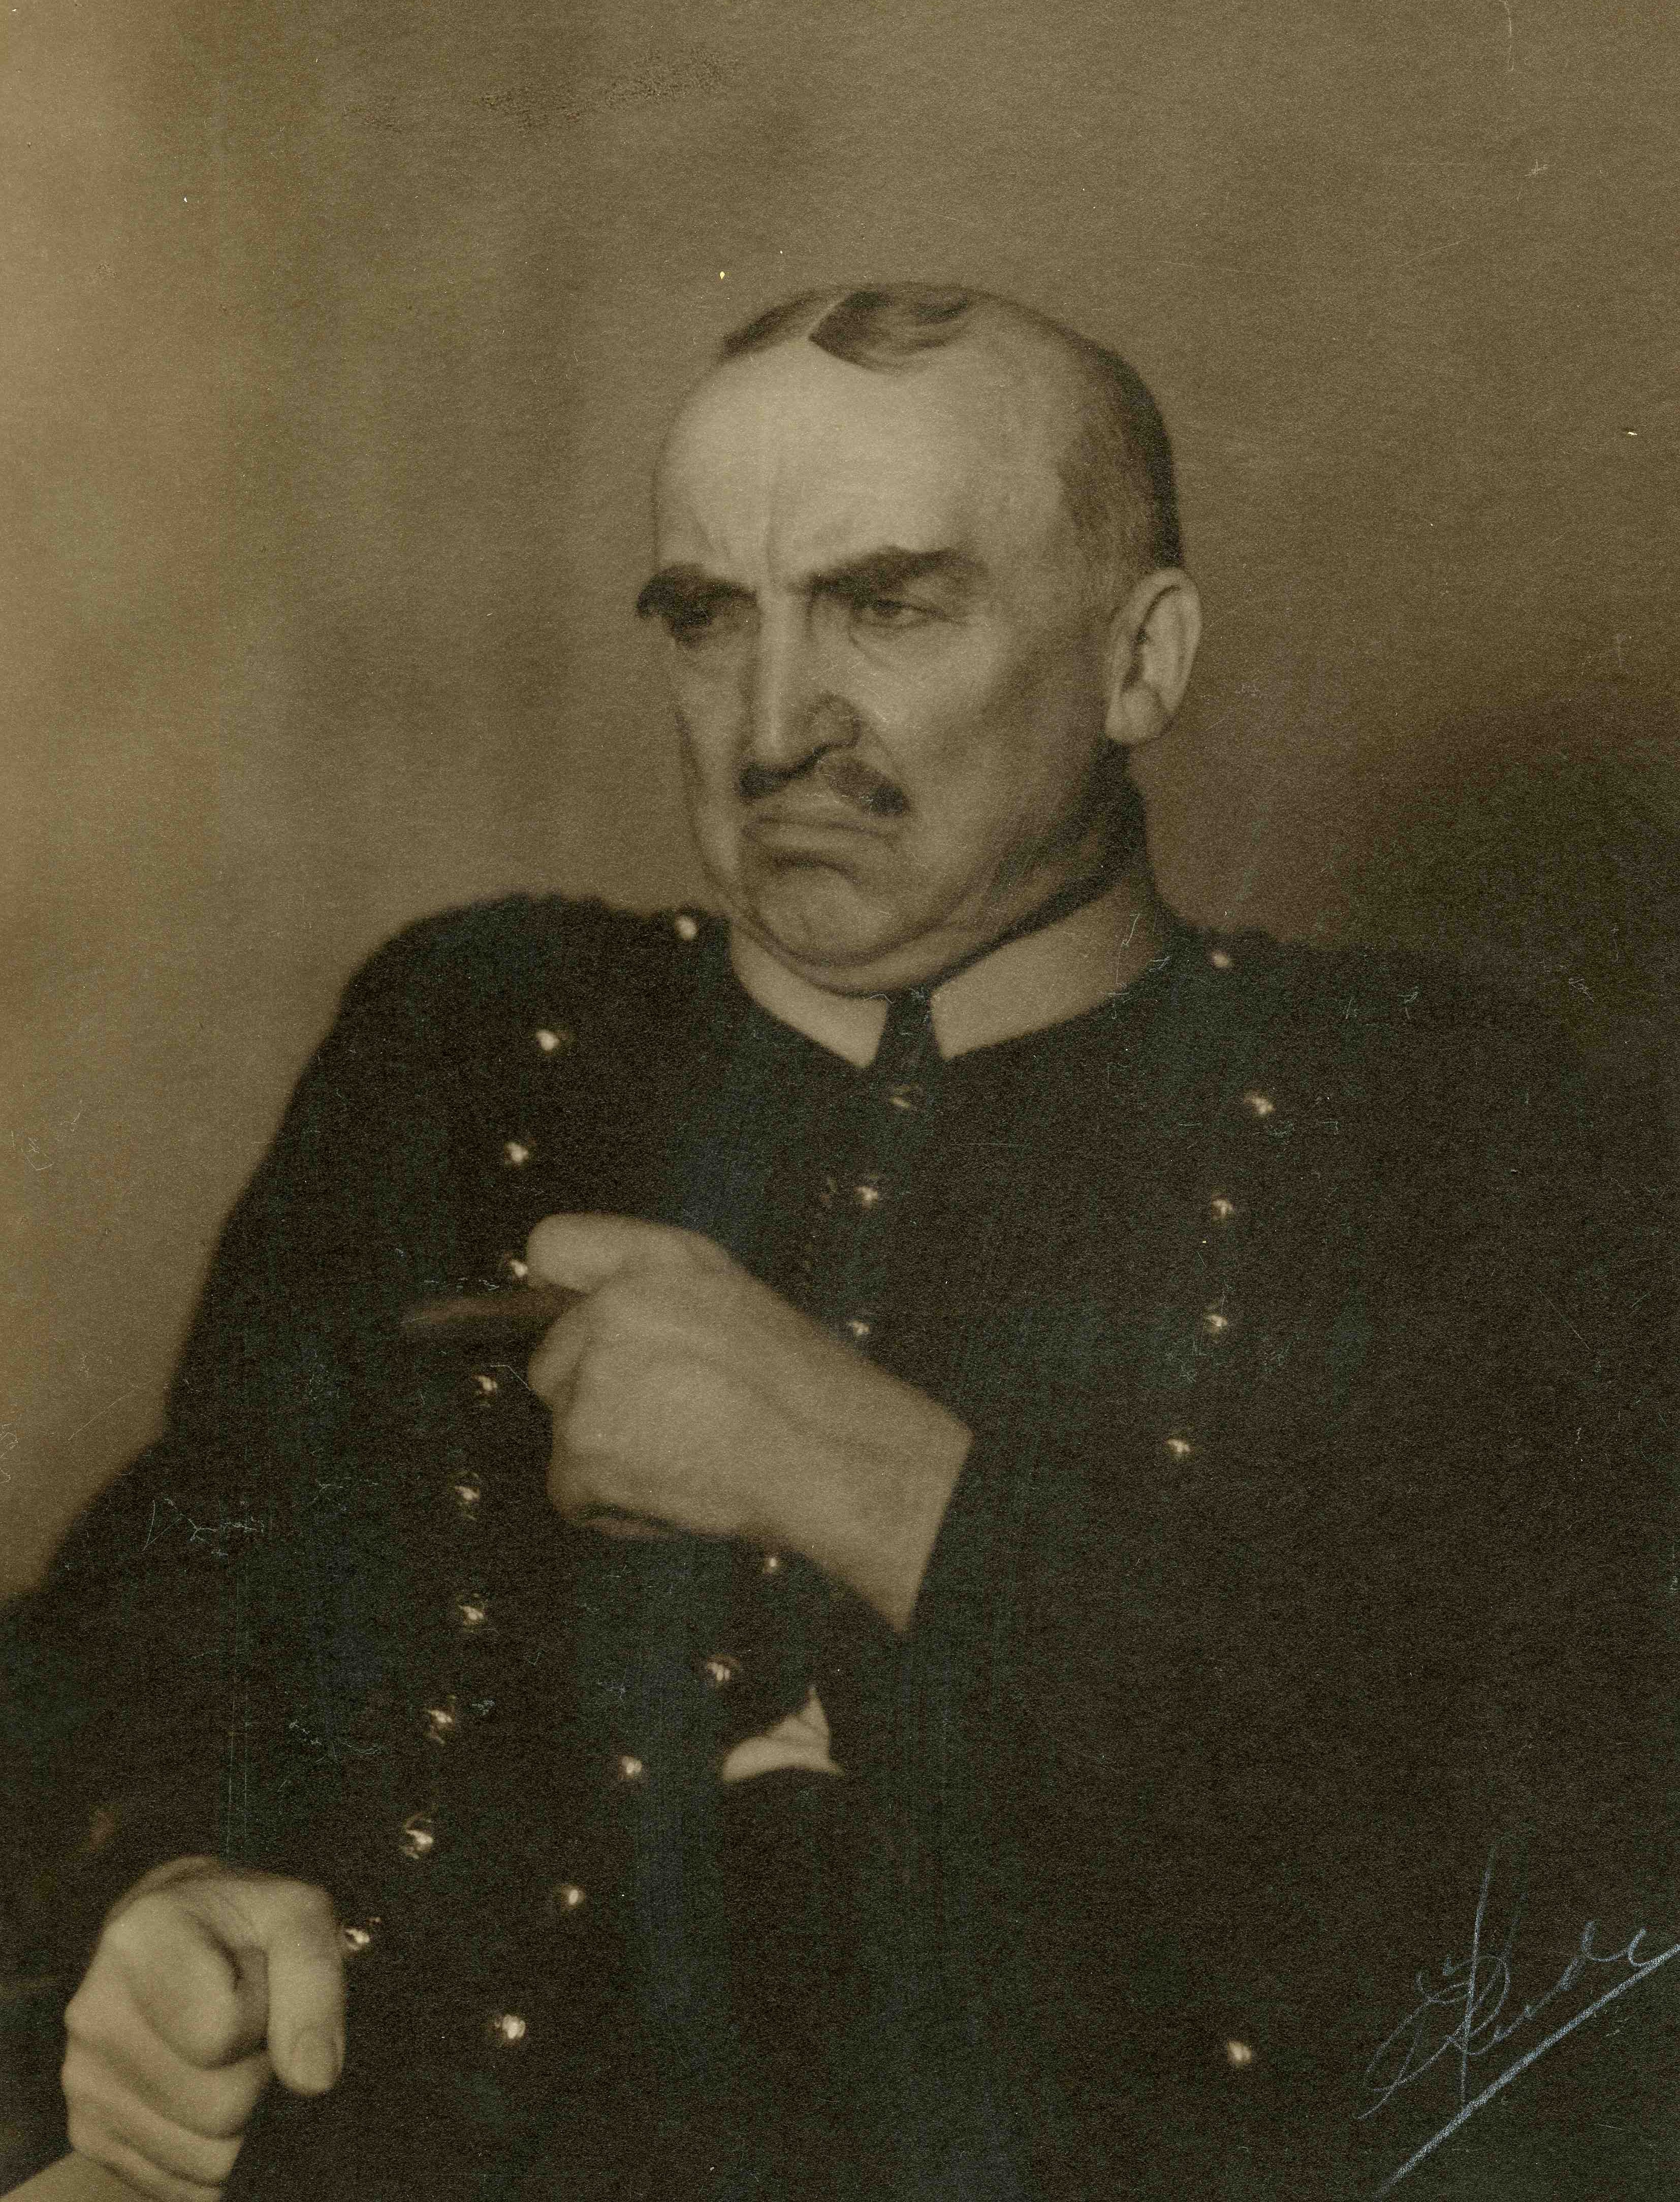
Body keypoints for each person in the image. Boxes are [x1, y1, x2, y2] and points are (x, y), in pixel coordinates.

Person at [2, 284, 1674, 2202]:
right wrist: (160, 1896)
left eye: (887, 607)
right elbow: (137, 1641)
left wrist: (883, 1486)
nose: (773, 725)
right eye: (708, 617)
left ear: (1140, 660)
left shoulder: (1437, 1113)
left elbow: (1571, 1917)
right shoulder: (470, 1034)